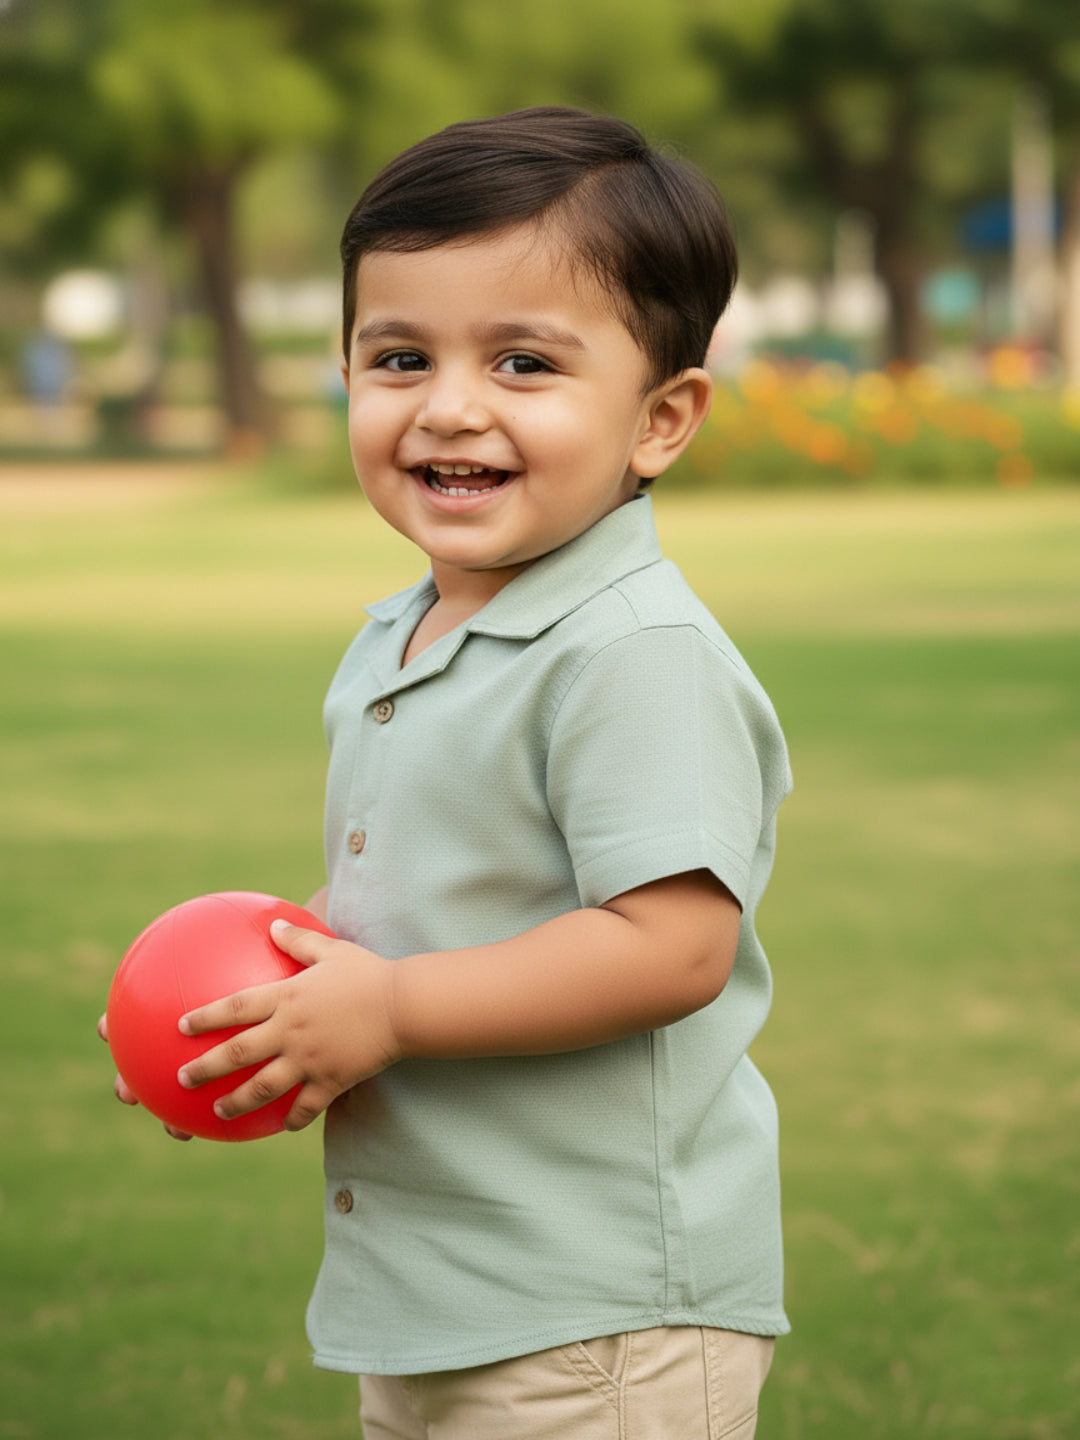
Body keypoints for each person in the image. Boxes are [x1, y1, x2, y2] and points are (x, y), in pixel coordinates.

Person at [105, 107, 792, 1438]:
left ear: (662, 419)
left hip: (598, 1313)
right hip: (436, 1291)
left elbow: (673, 947)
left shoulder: (633, 653)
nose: (451, 405)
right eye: (400, 356)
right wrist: (245, 1024)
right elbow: (410, 916)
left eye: (526, 361)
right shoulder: (399, 636)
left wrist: (396, 1009)